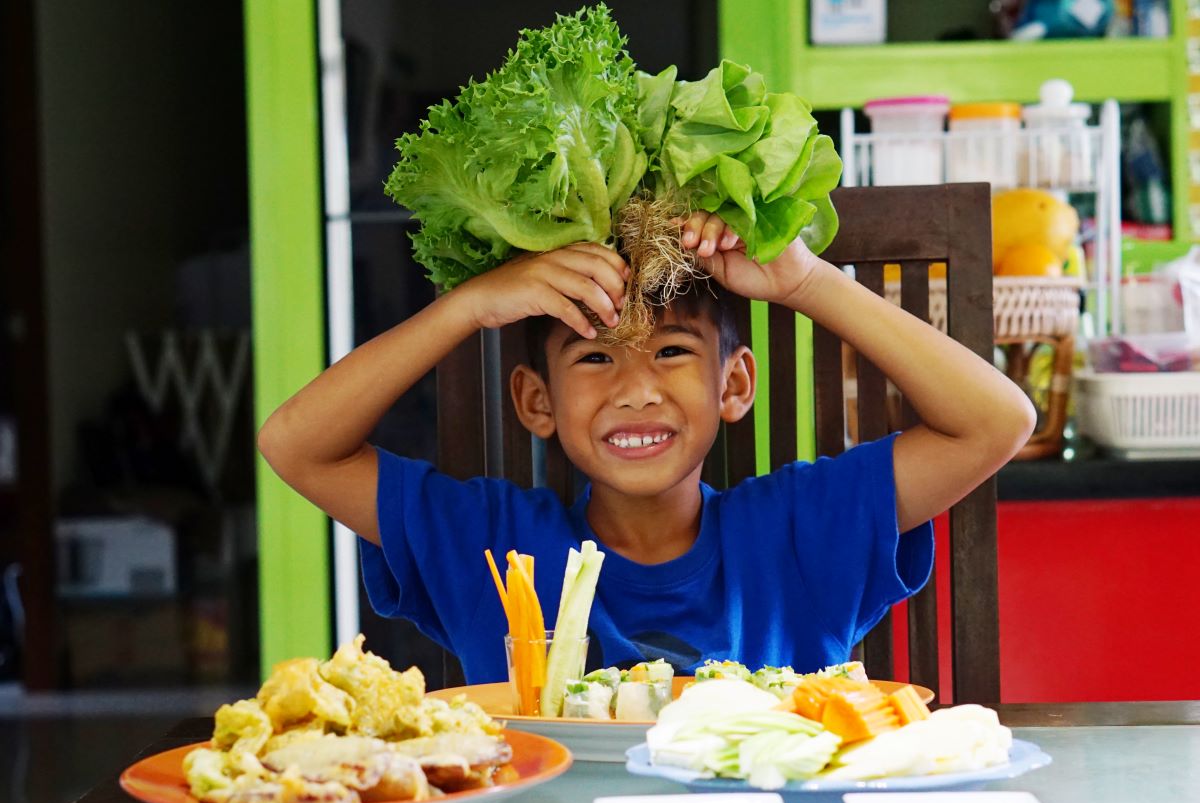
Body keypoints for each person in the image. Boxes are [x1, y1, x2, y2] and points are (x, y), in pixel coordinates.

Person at [257, 212, 1035, 683]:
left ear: (734, 385)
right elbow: (296, 446)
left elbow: (997, 421)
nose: (636, 390)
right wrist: (467, 307)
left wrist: (807, 284)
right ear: (537, 402)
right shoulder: (493, 546)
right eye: (595, 358)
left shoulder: (799, 530)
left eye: (670, 353)